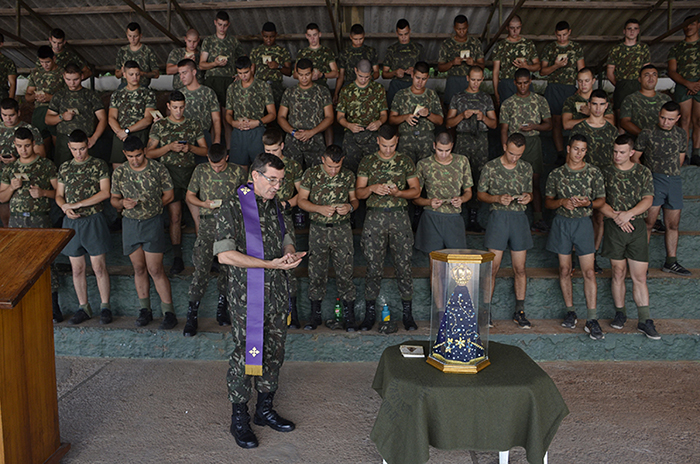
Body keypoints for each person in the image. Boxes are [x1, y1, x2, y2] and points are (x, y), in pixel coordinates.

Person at [214, 152, 303, 449]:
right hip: (248, 296)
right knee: (246, 354)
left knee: (275, 351)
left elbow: (286, 237)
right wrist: (270, 265)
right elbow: (225, 255)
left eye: (281, 180)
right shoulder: (232, 206)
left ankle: (264, 410)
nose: (278, 186)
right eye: (272, 180)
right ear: (255, 176)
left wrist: (289, 252)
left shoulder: (277, 206)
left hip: (277, 293)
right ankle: (239, 417)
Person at [356, 124, 421, 331]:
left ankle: (408, 315)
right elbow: (358, 193)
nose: (387, 150)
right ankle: (369, 315)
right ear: (377, 141)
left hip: (399, 217)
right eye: (384, 146)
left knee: (404, 266)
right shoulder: (368, 161)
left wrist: (398, 193)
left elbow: (416, 191)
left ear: (397, 141)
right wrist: (372, 188)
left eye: (392, 145)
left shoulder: (404, 161)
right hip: (374, 218)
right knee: (373, 267)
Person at [544, 134, 606, 340]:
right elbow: (548, 202)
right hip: (562, 223)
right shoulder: (556, 174)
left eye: (583, 150)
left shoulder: (593, 173)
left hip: (583, 224)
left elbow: (601, 201)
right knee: (564, 269)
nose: (579, 153)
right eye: (576, 149)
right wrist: (562, 202)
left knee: (589, 272)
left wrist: (586, 203)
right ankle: (570, 311)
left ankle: (592, 319)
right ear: (568, 148)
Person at [111, 136, 177, 329]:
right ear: (125, 154)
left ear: (144, 151)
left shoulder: (157, 169)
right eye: (131, 156)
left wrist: (153, 207)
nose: (135, 160)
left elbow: (169, 195)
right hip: (130, 224)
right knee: (139, 268)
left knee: (155, 269)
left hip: (152, 222)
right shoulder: (120, 172)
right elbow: (114, 200)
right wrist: (122, 203)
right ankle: (144, 310)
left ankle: (168, 312)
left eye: (138, 155)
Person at [599, 135, 660, 339]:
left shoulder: (642, 172)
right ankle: (620, 314)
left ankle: (644, 320)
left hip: (637, 226)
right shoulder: (605, 172)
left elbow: (648, 199)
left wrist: (629, 214)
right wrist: (618, 217)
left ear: (632, 152)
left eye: (622, 152)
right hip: (614, 226)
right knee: (617, 272)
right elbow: (599, 201)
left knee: (639, 276)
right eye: (615, 151)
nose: (617, 155)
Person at [183, 143, 245, 336]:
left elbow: (246, 196)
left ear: (226, 157)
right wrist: (203, 204)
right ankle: (192, 315)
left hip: (228, 226)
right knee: (201, 270)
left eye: (219, 165)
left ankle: (222, 309)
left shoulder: (237, 171)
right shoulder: (201, 170)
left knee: (227, 270)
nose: (216, 169)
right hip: (208, 225)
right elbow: (189, 196)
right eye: (212, 164)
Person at [0, 127, 61, 320]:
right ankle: (22, 306)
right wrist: (12, 188)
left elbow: (59, 193)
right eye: (19, 146)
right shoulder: (10, 168)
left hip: (39, 218)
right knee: (17, 263)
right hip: (17, 219)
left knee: (46, 262)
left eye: (27, 146)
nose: (23, 150)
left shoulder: (46, 165)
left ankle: (53, 306)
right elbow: (2, 198)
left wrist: (43, 193)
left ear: (33, 144)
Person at [145, 90, 207, 274]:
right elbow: (149, 152)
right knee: (175, 217)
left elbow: (205, 151)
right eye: (175, 108)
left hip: (190, 175)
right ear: (168, 107)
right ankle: (177, 258)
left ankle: (204, 258)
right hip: (169, 175)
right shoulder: (160, 126)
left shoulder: (193, 124)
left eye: (181, 107)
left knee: (198, 217)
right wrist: (169, 147)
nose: (178, 111)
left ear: (185, 106)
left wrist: (190, 148)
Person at [298, 144, 358, 330]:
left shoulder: (348, 175)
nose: (333, 171)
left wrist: (350, 207)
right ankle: (314, 316)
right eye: (330, 166)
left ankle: (349, 317)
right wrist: (319, 209)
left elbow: (354, 199)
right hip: (318, 229)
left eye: (337, 167)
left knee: (345, 273)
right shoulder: (311, 174)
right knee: (316, 272)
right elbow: (301, 201)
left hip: (342, 229)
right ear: (322, 160)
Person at [55, 130, 112, 325]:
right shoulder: (64, 167)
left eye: (81, 149)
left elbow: (105, 193)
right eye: (74, 149)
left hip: (93, 219)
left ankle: (105, 306)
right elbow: (59, 194)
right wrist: (64, 207)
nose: (78, 153)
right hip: (72, 222)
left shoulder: (98, 165)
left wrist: (78, 204)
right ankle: (84, 307)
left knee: (99, 267)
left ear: (88, 145)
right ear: (69, 147)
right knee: (77, 269)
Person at [477, 133, 533, 328]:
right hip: (498, 218)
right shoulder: (491, 167)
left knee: (520, 268)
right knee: (492, 268)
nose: (514, 158)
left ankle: (520, 311)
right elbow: (481, 194)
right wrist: (497, 198)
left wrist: (528, 197)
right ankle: (485, 311)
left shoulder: (526, 168)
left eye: (518, 154)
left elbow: (530, 192)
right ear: (504, 146)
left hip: (519, 218)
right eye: (511, 153)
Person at [637, 101, 691, 276]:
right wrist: (646, 177)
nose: (665, 122)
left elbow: (681, 159)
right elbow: (636, 157)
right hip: (654, 178)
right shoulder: (648, 132)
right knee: (648, 222)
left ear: (678, 119)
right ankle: (641, 263)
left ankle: (671, 262)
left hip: (674, 180)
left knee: (673, 224)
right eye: (662, 117)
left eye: (670, 119)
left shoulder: (681, 134)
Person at [571, 89, 619, 271]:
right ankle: (577, 255)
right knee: (579, 218)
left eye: (602, 104)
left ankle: (593, 255)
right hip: (582, 178)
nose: (598, 108)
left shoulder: (612, 131)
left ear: (606, 106)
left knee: (599, 218)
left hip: (604, 180)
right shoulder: (580, 128)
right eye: (594, 104)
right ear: (588, 105)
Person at [445, 65, 497, 231]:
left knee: (478, 177)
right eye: (473, 79)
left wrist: (483, 118)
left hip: (481, 141)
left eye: (479, 80)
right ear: (467, 78)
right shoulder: (458, 97)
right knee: (459, 177)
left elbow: (494, 124)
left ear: (483, 79)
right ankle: (455, 215)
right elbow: (448, 123)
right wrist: (462, 116)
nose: (475, 83)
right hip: (463, 140)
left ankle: (473, 217)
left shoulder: (486, 98)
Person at [499, 68, 552, 232]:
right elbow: (503, 129)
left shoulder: (539, 100)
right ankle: (509, 217)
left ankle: (538, 218)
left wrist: (535, 126)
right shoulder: (508, 103)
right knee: (511, 181)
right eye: (519, 83)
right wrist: (505, 148)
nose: (522, 86)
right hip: (513, 145)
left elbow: (549, 125)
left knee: (534, 182)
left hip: (533, 143)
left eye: (526, 83)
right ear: (515, 83)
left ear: (530, 82)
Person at [261, 127, 303, 328]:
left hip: (284, 217)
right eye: (267, 151)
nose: (270, 155)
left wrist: (287, 204)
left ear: (282, 146)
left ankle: (291, 310)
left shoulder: (292, 166)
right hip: (263, 220)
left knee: (288, 260)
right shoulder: (260, 167)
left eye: (274, 151)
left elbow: (302, 193)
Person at [414, 131, 472, 255]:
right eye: (440, 150)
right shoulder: (424, 164)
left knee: (458, 262)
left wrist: (461, 199)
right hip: (432, 216)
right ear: (434, 145)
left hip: (454, 217)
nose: (444, 154)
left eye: (448, 150)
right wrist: (429, 202)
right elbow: (415, 197)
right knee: (434, 263)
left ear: (452, 146)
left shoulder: (462, 161)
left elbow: (468, 192)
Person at [45, 63, 107, 168]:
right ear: (64, 77)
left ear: (82, 77)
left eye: (75, 79)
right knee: (62, 170)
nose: (72, 83)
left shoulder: (90, 95)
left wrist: (94, 138)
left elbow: (103, 118)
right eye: (68, 79)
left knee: (88, 169)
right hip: (64, 141)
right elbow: (48, 119)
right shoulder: (59, 96)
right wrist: (61, 117)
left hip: (85, 139)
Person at [277, 58, 334, 168]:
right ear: (296, 73)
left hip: (315, 140)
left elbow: (329, 117)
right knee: (290, 173)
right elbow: (281, 116)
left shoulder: (322, 91)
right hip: (293, 140)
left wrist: (311, 132)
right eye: (301, 74)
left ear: (313, 73)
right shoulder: (290, 92)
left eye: (307, 74)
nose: (304, 78)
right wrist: (293, 132)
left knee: (317, 175)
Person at [540, 21, 585, 157]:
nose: (562, 38)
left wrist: (581, 89)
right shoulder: (550, 48)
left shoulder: (576, 48)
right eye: (559, 35)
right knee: (556, 122)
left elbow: (582, 70)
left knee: (574, 121)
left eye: (564, 34)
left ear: (569, 32)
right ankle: (560, 153)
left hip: (570, 88)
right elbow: (542, 72)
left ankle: (575, 152)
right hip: (554, 88)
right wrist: (556, 66)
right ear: (555, 34)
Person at [200, 10, 245, 148]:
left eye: (225, 25)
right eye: (220, 24)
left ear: (229, 25)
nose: (222, 28)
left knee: (227, 119)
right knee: (215, 119)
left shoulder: (233, 41)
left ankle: (230, 150)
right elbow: (202, 64)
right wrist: (215, 64)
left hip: (228, 81)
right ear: (215, 23)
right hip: (212, 81)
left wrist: (239, 74)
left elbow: (244, 60)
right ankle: (215, 149)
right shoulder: (208, 41)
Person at [336, 59, 388, 173]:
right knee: (350, 169)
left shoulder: (378, 89)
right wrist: (349, 125)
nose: (364, 80)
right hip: (352, 134)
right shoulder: (346, 90)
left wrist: (379, 122)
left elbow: (384, 114)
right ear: (355, 71)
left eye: (367, 77)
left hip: (373, 134)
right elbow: (340, 117)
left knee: (374, 169)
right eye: (361, 76)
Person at [225, 56, 276, 169]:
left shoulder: (263, 86)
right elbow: (228, 114)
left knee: (260, 168)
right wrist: (233, 123)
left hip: (257, 131)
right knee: (238, 170)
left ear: (252, 68)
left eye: (246, 72)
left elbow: (272, 114)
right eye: (240, 73)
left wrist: (258, 122)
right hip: (238, 132)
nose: (243, 76)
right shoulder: (232, 88)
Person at [389, 61, 444, 164]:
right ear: (412, 75)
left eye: (423, 79)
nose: (420, 82)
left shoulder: (432, 95)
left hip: (426, 140)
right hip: (406, 139)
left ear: (427, 78)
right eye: (417, 78)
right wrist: (405, 117)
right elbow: (391, 120)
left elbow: (440, 121)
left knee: (425, 173)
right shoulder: (401, 95)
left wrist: (428, 114)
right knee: (406, 172)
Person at [108, 60, 156, 168]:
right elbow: (111, 117)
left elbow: (148, 119)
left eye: (137, 74)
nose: (135, 77)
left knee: (142, 166)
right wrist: (120, 133)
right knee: (118, 167)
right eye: (131, 74)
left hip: (139, 134)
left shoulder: (148, 93)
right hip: (120, 135)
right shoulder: (117, 94)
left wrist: (127, 131)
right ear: (124, 75)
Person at [667, 16, 700, 165]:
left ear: (698, 25)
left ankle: (696, 153)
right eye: (686, 25)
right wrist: (688, 84)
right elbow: (672, 71)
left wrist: (697, 85)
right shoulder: (676, 48)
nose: (689, 27)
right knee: (684, 120)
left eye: (692, 24)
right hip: (683, 86)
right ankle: (684, 153)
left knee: (698, 120)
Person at [607, 18, 650, 123]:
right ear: (624, 31)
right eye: (629, 28)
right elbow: (609, 73)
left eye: (635, 29)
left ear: (638, 31)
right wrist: (620, 84)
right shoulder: (616, 49)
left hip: (639, 86)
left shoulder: (643, 48)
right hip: (622, 86)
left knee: (639, 119)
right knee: (622, 120)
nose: (632, 31)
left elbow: (647, 71)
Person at [437, 14, 485, 107]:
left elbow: (482, 66)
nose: (462, 31)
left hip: (471, 81)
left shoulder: (475, 43)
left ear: (467, 27)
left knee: (471, 107)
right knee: (451, 107)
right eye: (459, 29)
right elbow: (440, 68)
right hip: (453, 81)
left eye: (464, 28)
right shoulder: (447, 44)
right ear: (454, 28)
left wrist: (473, 63)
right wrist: (452, 63)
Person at [492, 15, 540, 107]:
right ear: (507, 27)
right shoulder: (500, 46)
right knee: (508, 113)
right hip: (507, 83)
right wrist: (496, 92)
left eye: (518, 28)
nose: (515, 31)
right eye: (512, 28)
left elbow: (538, 66)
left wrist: (526, 67)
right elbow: (496, 71)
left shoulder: (528, 44)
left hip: (524, 82)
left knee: (527, 112)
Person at [25, 45, 65, 154]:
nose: (45, 65)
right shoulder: (36, 73)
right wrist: (35, 96)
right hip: (39, 113)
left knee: (59, 148)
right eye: (42, 62)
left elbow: (70, 97)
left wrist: (50, 98)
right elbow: (28, 96)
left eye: (47, 62)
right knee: (41, 146)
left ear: (54, 59)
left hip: (56, 113)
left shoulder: (63, 73)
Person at [178, 58, 221, 148]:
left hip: (204, 135)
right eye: (180, 74)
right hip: (183, 136)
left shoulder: (208, 92)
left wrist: (217, 140)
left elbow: (216, 119)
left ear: (194, 72)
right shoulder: (179, 93)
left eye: (184, 73)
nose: (182, 77)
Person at [382, 19, 424, 107]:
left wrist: (415, 71)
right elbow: (384, 74)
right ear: (397, 33)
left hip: (414, 85)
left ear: (410, 31)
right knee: (392, 112)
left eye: (406, 34)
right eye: (401, 35)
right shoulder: (392, 49)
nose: (404, 37)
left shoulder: (418, 48)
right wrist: (394, 73)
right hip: (396, 85)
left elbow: (425, 72)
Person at [334, 24, 379, 104]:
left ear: (364, 36)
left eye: (361, 39)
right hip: (349, 84)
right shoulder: (344, 53)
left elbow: (377, 72)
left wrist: (368, 78)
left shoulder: (370, 51)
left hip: (367, 84)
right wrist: (336, 93)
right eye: (355, 39)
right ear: (350, 37)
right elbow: (341, 76)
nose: (358, 42)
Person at [249, 22, 292, 106]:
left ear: (276, 35)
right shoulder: (256, 51)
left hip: (276, 87)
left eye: (271, 36)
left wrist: (278, 66)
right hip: (259, 87)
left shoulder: (282, 51)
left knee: (277, 113)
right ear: (262, 34)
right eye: (266, 36)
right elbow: (251, 71)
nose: (268, 39)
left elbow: (289, 72)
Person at [620, 64, 671, 136]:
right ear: (639, 79)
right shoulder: (630, 99)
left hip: (662, 142)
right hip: (638, 142)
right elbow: (624, 122)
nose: (651, 78)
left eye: (654, 75)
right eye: (647, 75)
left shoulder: (666, 99)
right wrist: (645, 136)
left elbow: (673, 121)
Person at [562, 68, 615, 132]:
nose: (583, 84)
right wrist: (593, 118)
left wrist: (590, 113)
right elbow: (567, 124)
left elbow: (611, 122)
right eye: (580, 81)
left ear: (593, 81)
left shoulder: (601, 99)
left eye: (587, 81)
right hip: (579, 138)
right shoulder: (571, 100)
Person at [295, 23, 338, 91]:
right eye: (309, 35)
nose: (312, 38)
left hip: (322, 88)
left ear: (319, 34)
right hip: (305, 88)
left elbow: (335, 73)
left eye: (315, 35)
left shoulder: (327, 52)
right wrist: (307, 76)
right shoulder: (302, 53)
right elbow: (295, 74)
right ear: (306, 36)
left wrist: (322, 75)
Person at [114, 22, 159, 88]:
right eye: (130, 36)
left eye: (135, 36)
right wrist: (122, 71)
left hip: (142, 86)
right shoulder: (122, 51)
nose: (132, 39)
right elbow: (117, 75)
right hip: (125, 86)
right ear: (126, 35)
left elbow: (156, 74)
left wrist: (141, 73)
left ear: (140, 35)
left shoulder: (148, 51)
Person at [0, 34, 17, 100]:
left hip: (2, 98)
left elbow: (12, 83)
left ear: (1, 44)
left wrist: (10, 101)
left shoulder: (7, 62)